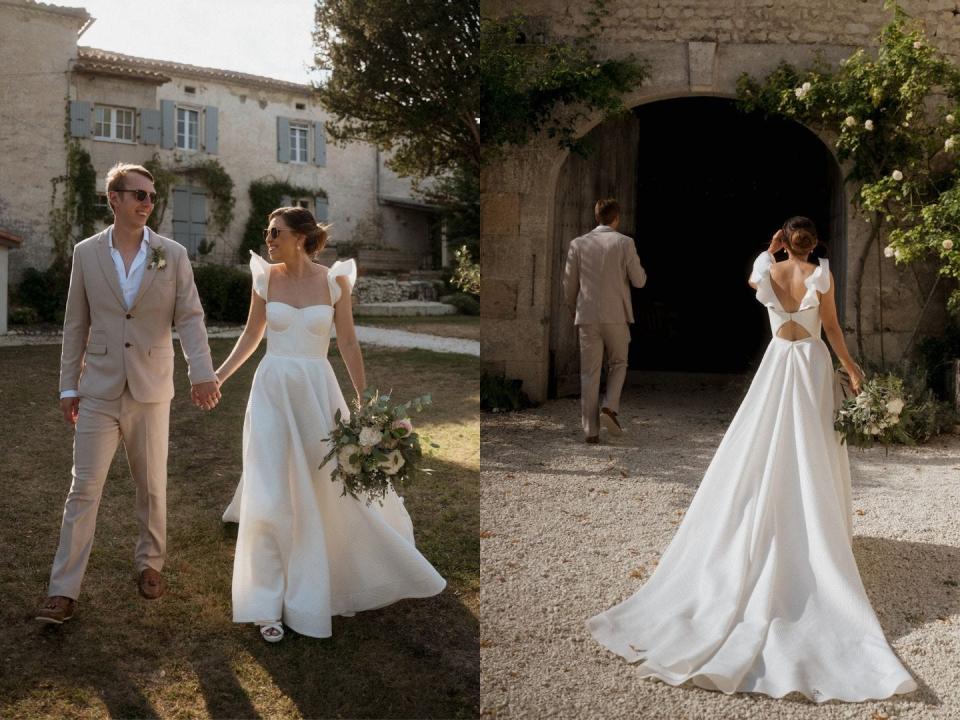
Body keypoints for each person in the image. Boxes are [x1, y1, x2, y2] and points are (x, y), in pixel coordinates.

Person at [587, 217, 917, 702]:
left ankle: (768, 513)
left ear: (784, 241)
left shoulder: (766, 268)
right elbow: (830, 330)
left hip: (777, 364)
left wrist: (771, 248)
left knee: (763, 441)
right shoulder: (821, 274)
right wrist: (851, 367)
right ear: (817, 242)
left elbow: (753, 279)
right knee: (812, 446)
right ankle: (813, 522)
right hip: (808, 365)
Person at [215, 206, 446, 642]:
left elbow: (347, 340)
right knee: (268, 489)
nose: (268, 238)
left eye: (275, 232)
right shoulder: (265, 278)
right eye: (267, 232)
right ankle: (264, 601)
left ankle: (329, 570)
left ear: (301, 237)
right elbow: (251, 336)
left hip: (318, 391)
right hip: (272, 390)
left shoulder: (335, 280)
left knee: (323, 484)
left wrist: (362, 397)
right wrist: (219, 376)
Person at [36, 163, 220, 624]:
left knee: (152, 486)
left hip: (151, 387)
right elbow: (75, 322)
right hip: (97, 388)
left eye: (151, 197)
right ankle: (63, 590)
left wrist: (203, 373)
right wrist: (68, 384)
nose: (146, 203)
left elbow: (191, 318)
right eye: (137, 194)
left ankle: (150, 563)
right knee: (83, 490)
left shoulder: (171, 254)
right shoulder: (86, 253)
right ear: (112, 198)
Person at [562, 198, 647, 443]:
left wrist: (573, 308)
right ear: (616, 218)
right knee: (619, 363)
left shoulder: (577, 244)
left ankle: (590, 431)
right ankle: (609, 407)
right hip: (616, 315)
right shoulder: (625, 243)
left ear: (596, 217)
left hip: (587, 315)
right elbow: (639, 281)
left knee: (589, 373)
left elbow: (569, 284)